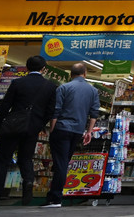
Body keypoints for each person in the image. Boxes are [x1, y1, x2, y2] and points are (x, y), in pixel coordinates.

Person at [0, 56, 57, 209]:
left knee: (2, 161)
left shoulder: (17, 83)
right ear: (43, 69)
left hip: (12, 127)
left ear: (26, 68)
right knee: (25, 158)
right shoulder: (50, 86)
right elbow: (50, 112)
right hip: (32, 129)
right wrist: (38, 125)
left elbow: (5, 107)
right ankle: (29, 180)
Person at [42, 62, 100, 208]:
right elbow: (94, 113)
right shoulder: (93, 91)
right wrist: (89, 132)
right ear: (85, 73)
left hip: (62, 128)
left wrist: (53, 130)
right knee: (64, 162)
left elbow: (56, 111)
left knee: (60, 163)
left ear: (70, 74)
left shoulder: (64, 87)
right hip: (78, 131)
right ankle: (54, 195)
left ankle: (55, 197)